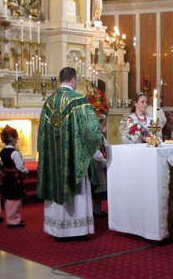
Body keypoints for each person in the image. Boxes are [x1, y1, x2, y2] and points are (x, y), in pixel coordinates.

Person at [37, 67, 102, 240]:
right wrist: (95, 143)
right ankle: (76, 230)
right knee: (77, 187)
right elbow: (91, 130)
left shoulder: (49, 102)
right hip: (74, 158)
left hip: (54, 159)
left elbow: (41, 133)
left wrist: (45, 153)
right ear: (73, 80)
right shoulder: (79, 99)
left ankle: (57, 229)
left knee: (57, 182)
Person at [0, 125, 29, 228]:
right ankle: (13, 221)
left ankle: (12, 218)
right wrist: (26, 171)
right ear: (12, 139)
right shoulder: (14, 152)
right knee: (15, 199)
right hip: (14, 178)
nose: (17, 140)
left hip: (7, 177)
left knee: (9, 199)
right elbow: (20, 166)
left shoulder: (2, 151)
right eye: (16, 138)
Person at [91, 115, 109, 218]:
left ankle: (98, 209)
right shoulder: (93, 135)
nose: (104, 126)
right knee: (97, 189)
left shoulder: (100, 135)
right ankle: (95, 210)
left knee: (101, 189)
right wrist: (104, 161)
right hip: (96, 164)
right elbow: (95, 151)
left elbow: (106, 146)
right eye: (103, 124)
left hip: (101, 164)